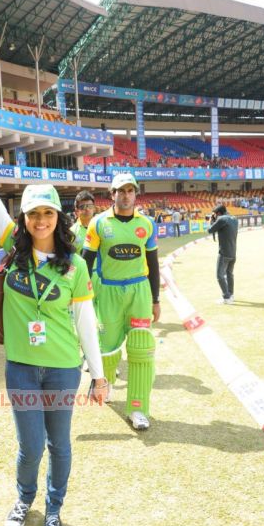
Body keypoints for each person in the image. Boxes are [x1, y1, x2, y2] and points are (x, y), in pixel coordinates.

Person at [0, 124, 108, 526]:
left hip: (61, 370)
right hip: (20, 368)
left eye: (48, 213)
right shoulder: (11, 246)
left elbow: (84, 322)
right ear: (23, 218)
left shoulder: (75, 265)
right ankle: (24, 500)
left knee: (59, 444)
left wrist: (98, 375)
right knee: (30, 446)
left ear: (59, 217)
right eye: (33, 214)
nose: (40, 220)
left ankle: (54, 510)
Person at [82, 173, 161, 432]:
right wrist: (81, 296)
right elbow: (86, 260)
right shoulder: (98, 223)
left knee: (140, 347)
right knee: (108, 347)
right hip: (108, 293)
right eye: (121, 191)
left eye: (130, 190)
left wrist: (156, 299)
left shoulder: (147, 224)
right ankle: (106, 382)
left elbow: (152, 263)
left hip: (139, 291)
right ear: (112, 194)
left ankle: (138, 408)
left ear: (136, 194)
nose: (126, 195)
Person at [208, 205, 238, 304]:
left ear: (218, 213)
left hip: (224, 253)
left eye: (215, 214)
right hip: (233, 252)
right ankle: (231, 294)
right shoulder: (234, 218)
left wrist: (211, 221)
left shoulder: (221, 219)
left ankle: (226, 297)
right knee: (229, 274)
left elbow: (210, 230)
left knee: (219, 275)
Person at [70, 190, 97, 255]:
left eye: (89, 206)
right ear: (76, 211)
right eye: (82, 207)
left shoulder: (102, 227)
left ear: (94, 208)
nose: (87, 209)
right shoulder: (71, 232)